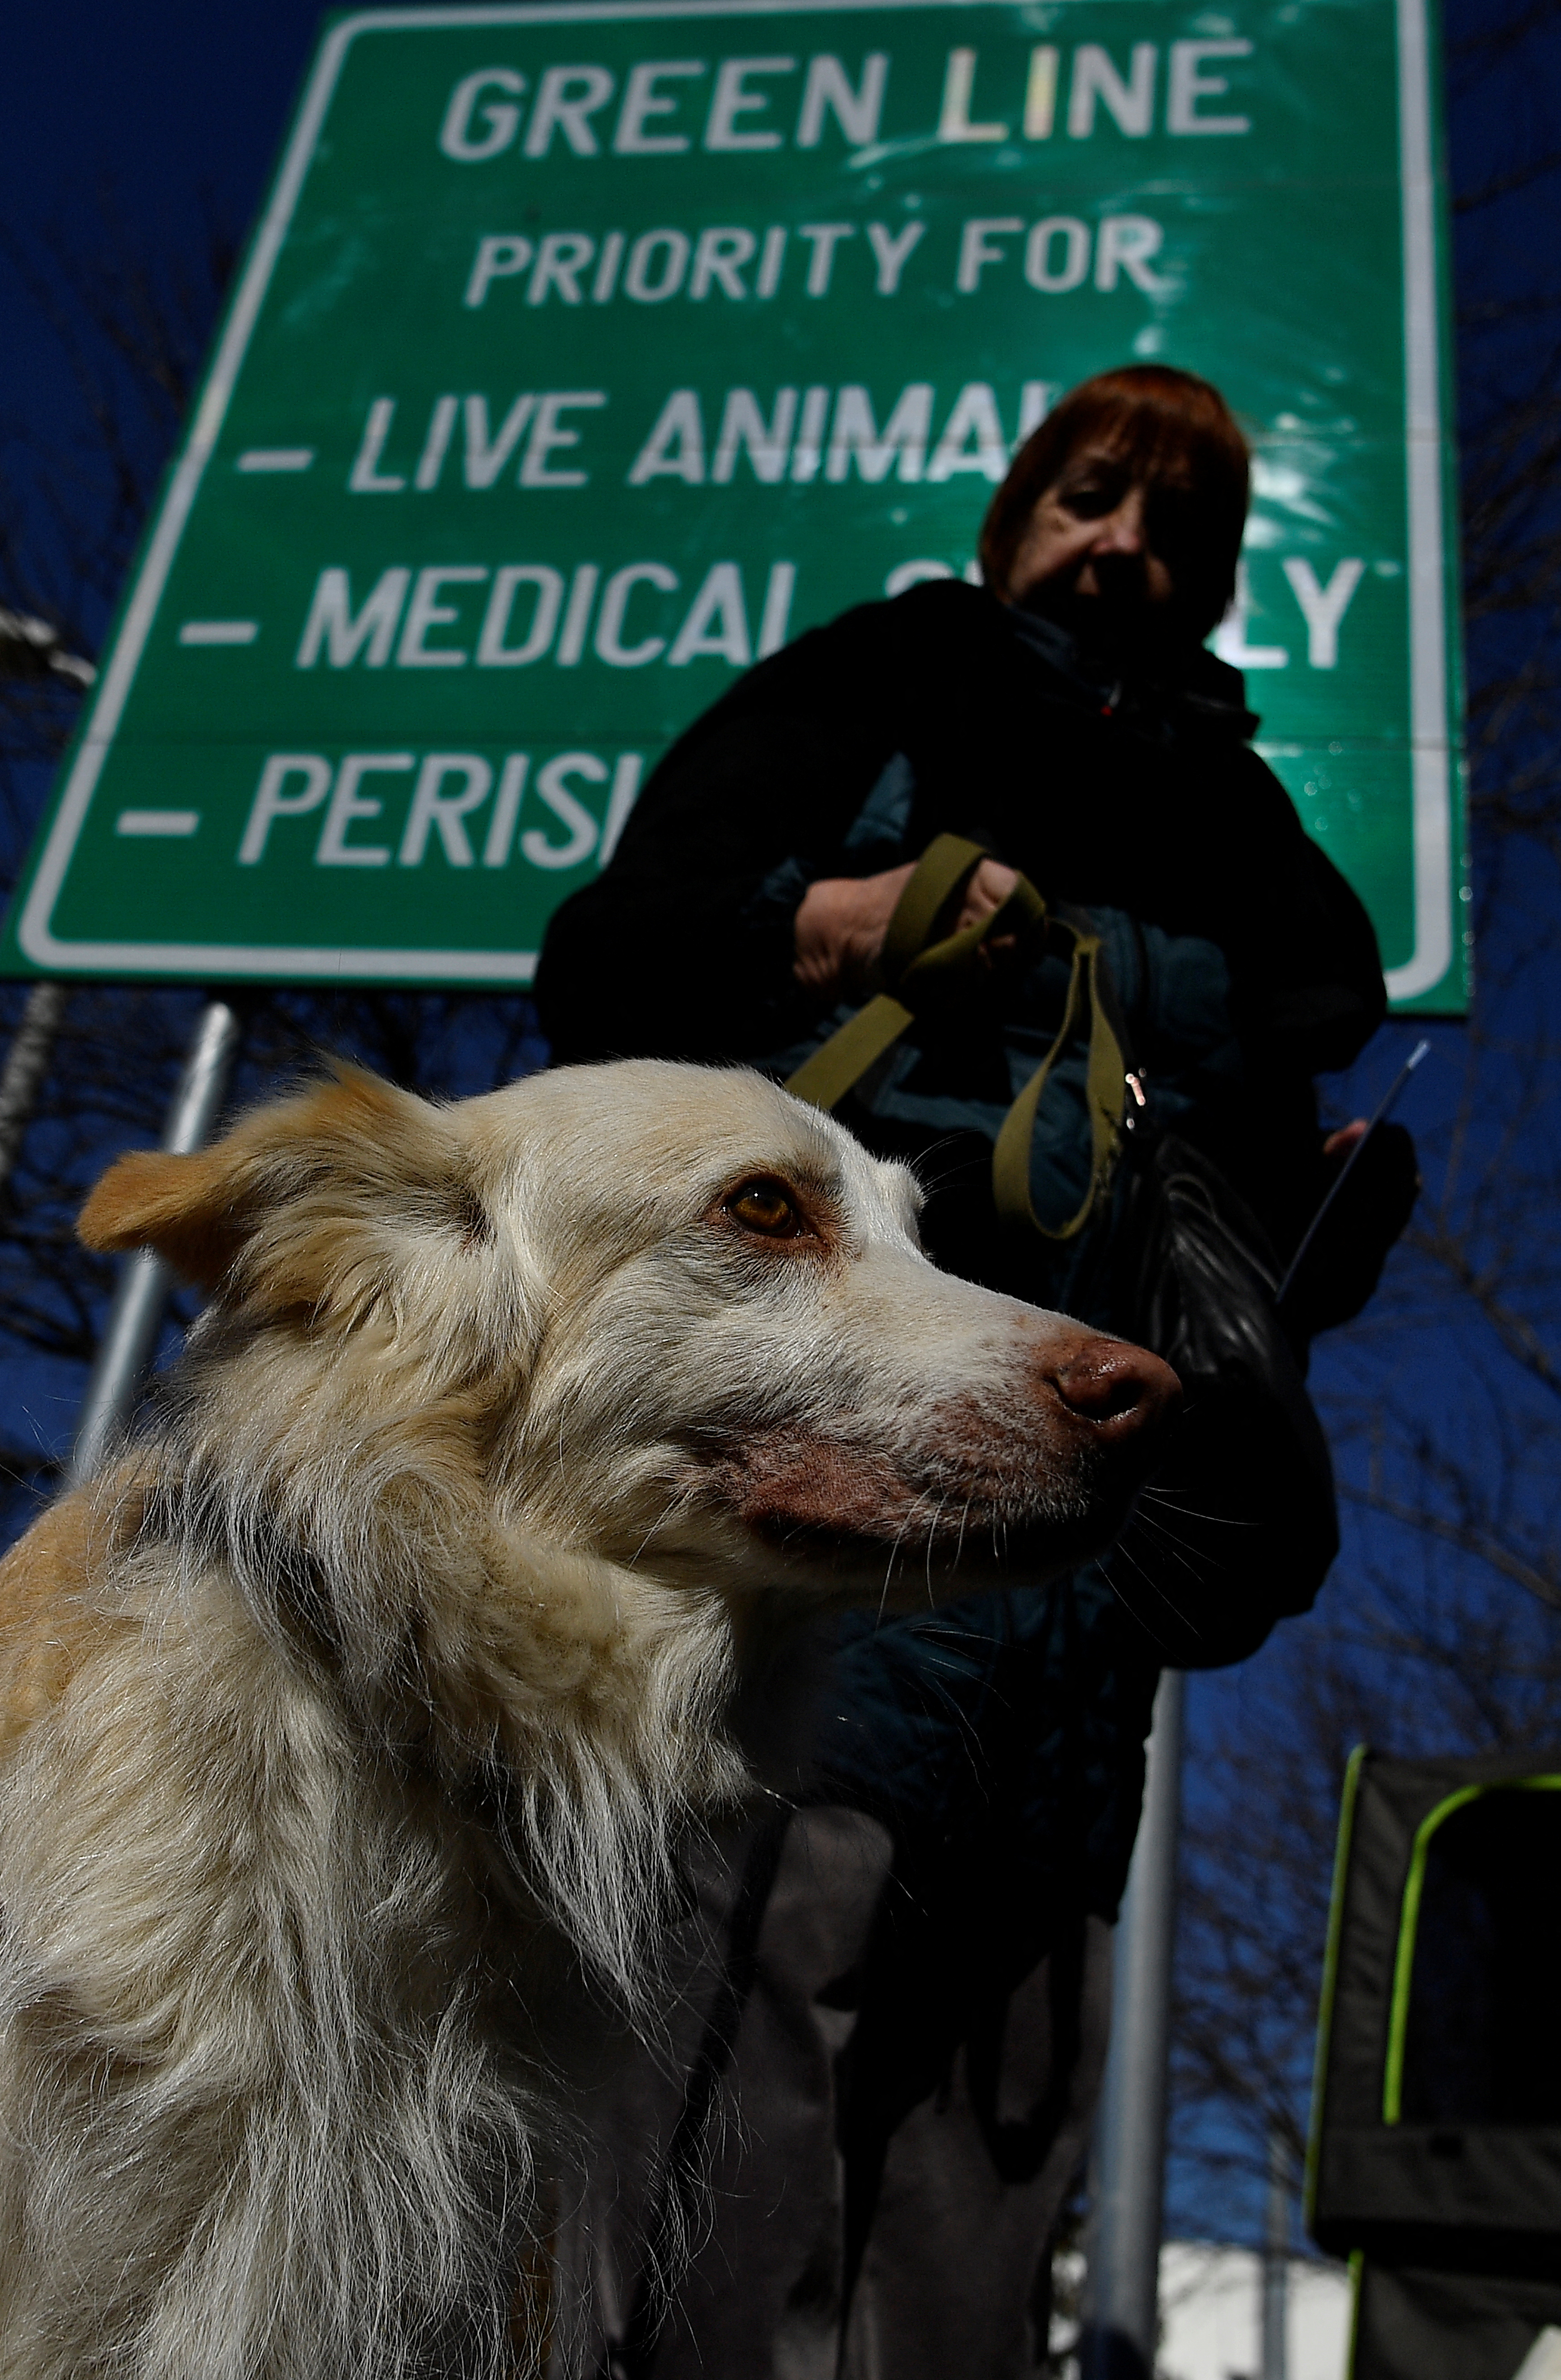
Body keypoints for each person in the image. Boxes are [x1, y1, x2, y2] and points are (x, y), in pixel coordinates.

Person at [534, 366, 1415, 2379]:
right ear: (1019, 512)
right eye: (1090, 498)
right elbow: (611, 959)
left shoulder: (1237, 818)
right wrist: (828, 923)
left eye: (1172, 533)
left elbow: (1292, 1043)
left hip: (1075, 1597)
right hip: (818, 1509)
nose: (1123, 550)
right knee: (748, 2041)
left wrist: (1294, 1252)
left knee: (990, 2145)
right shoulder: (877, 679)